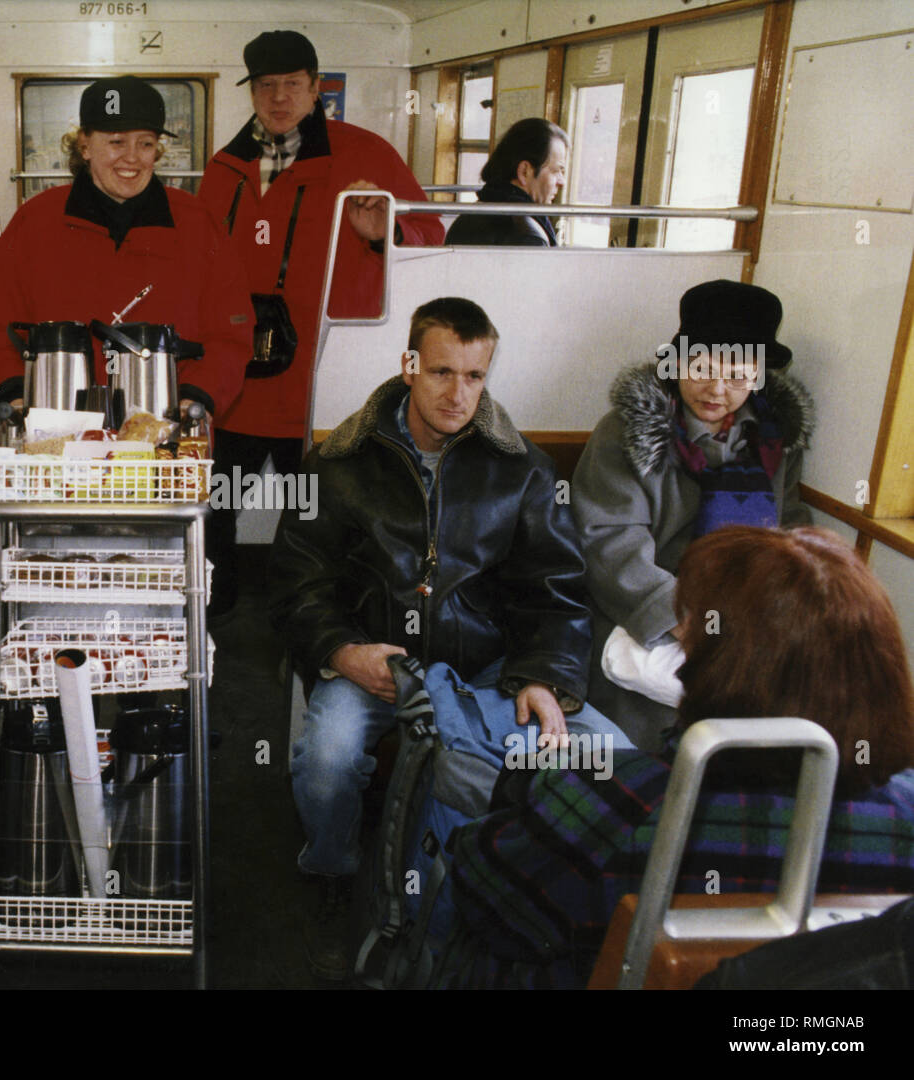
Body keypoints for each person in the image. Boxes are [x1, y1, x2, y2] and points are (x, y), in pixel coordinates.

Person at [269, 296, 620, 981]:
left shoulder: (522, 471)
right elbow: (294, 582)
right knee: (327, 759)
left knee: (600, 758)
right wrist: (342, 651)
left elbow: (556, 589)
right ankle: (334, 867)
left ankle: (485, 899)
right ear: (408, 367)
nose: (459, 393)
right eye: (441, 372)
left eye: (476, 376)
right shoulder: (338, 464)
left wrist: (545, 675)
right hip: (376, 666)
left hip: (486, 671)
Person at [438, 526, 914, 990]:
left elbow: (480, 889)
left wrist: (529, 792)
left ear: (724, 669)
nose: (682, 645)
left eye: (689, 633)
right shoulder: (904, 811)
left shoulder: (616, 800)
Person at [199, 30, 445, 616]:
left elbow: (432, 237)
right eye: (266, 86)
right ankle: (210, 629)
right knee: (212, 512)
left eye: (291, 84)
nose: (279, 97)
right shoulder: (225, 165)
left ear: (316, 88)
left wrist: (383, 230)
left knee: (315, 519)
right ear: (251, 92)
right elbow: (199, 258)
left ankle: (310, 631)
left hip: (321, 378)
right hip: (235, 377)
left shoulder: (365, 154)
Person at [572, 279, 814, 749]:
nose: (716, 388)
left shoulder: (774, 440)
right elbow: (606, 541)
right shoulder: (625, 433)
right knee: (688, 717)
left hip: (743, 614)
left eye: (737, 373)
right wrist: (687, 619)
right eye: (701, 366)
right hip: (642, 612)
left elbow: (792, 529)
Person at [0, 75, 253, 420]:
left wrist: (197, 399)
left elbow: (231, 333)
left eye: (146, 144)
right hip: (58, 429)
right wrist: (14, 394)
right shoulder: (35, 221)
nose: (131, 158)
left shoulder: (198, 223)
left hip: (166, 427)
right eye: (117, 142)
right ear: (85, 145)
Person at [445, 117, 567, 247]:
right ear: (525, 171)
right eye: (556, 171)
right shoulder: (528, 236)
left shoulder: (470, 217)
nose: (562, 182)